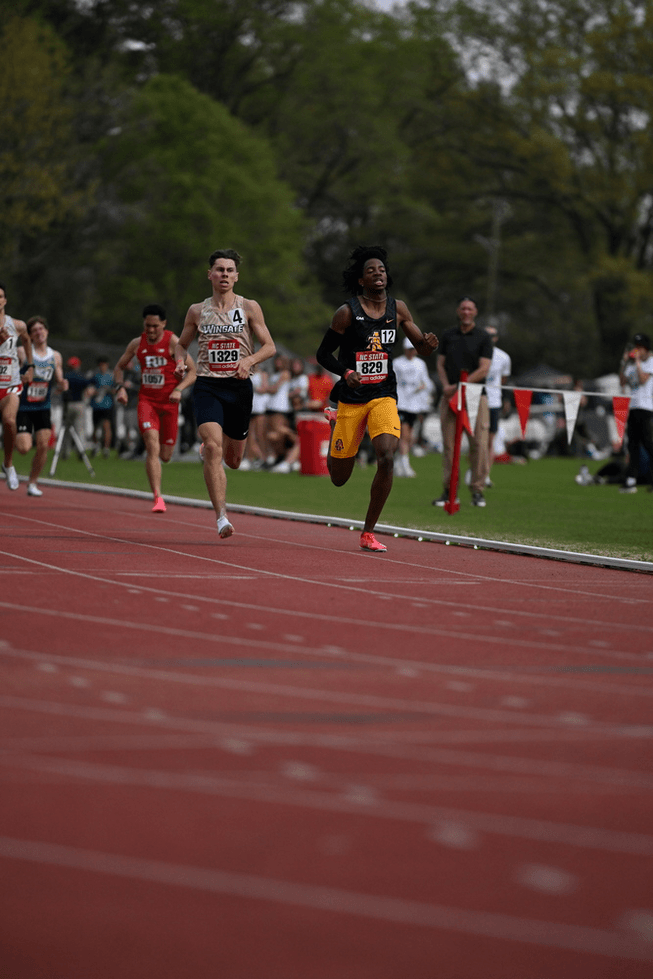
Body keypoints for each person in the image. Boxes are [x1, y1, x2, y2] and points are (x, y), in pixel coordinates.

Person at [316, 244, 438, 552]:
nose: (378, 274)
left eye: (381, 269)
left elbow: (421, 347)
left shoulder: (399, 309)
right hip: (351, 397)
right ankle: (335, 424)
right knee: (339, 477)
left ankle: (368, 532)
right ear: (361, 279)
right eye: (371, 271)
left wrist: (428, 345)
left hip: (384, 394)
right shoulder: (346, 313)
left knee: (386, 456)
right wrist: (346, 372)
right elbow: (323, 354)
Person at [174, 248, 276, 537]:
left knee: (233, 461)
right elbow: (181, 345)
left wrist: (249, 360)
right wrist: (181, 362)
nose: (225, 275)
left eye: (230, 270)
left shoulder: (249, 307)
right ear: (210, 274)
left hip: (239, 388)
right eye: (220, 270)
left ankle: (212, 446)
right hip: (207, 385)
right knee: (213, 448)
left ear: (236, 277)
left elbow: (269, 346)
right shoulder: (197, 310)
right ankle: (222, 517)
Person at [114, 303, 197, 512]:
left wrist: (179, 389)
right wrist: (120, 388)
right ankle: (158, 497)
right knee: (152, 445)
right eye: (147, 326)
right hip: (147, 402)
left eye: (155, 326)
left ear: (164, 324)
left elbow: (193, 371)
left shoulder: (173, 342)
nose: (150, 330)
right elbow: (119, 367)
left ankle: (159, 480)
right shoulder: (137, 344)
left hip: (169, 404)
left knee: (166, 455)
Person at [434, 297, 493, 508]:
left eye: (470, 308)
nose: (466, 312)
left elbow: (484, 369)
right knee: (449, 446)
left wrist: (459, 386)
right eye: (463, 308)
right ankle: (449, 491)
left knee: (479, 444)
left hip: (475, 395)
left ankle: (477, 490)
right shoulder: (448, 335)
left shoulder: (483, 337)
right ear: (458, 311)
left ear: (475, 312)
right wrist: (445, 386)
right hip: (450, 397)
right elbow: (440, 364)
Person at [15, 316, 68, 496]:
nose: (39, 333)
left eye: (41, 329)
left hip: (43, 406)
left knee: (44, 446)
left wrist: (62, 385)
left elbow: (59, 380)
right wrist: (20, 377)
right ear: (30, 335)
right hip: (23, 407)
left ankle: (32, 482)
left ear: (47, 331)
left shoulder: (55, 356)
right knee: (24, 448)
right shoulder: (22, 352)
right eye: (34, 330)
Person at [0, 283, 34, 490]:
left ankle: (8, 464)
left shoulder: (17, 325)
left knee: (9, 421)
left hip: (10, 383)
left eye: (0, 296)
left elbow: (27, 340)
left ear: (5, 300)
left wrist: (30, 366)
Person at [618, 332, 653, 494]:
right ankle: (631, 481)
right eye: (636, 347)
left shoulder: (651, 362)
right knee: (632, 445)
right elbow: (622, 382)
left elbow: (643, 380)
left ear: (646, 348)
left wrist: (638, 362)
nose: (637, 350)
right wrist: (624, 362)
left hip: (646, 408)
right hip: (633, 407)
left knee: (648, 444)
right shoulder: (631, 365)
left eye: (640, 347)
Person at [393, 335, 432, 477]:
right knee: (403, 434)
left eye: (413, 349)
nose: (411, 352)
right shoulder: (397, 363)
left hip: (414, 404)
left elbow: (426, 381)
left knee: (409, 436)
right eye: (409, 349)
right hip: (401, 403)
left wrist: (423, 389)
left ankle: (398, 462)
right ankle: (405, 464)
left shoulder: (420, 364)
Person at [483, 325, 511, 486]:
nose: (489, 338)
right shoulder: (475, 353)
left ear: (496, 338)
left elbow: (504, 381)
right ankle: (475, 470)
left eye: (492, 335)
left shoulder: (503, 357)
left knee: (490, 441)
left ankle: (485, 474)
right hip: (476, 400)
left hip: (494, 402)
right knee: (477, 441)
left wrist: (505, 400)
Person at [61, 356, 91, 459]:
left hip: (68, 404)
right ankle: (81, 451)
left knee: (66, 429)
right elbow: (87, 390)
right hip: (79, 404)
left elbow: (61, 389)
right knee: (80, 429)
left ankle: (66, 452)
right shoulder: (82, 376)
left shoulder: (66, 376)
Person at [87, 357, 115, 457]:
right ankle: (96, 446)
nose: (103, 367)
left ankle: (106, 448)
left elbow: (116, 389)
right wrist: (93, 391)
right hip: (96, 405)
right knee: (95, 427)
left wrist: (108, 390)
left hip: (107, 405)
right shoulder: (94, 374)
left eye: (104, 365)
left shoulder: (111, 375)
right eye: (101, 365)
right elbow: (89, 387)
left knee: (106, 426)